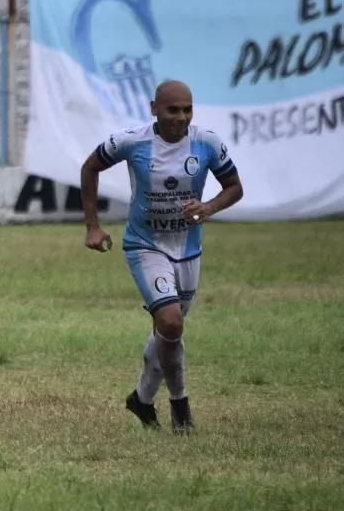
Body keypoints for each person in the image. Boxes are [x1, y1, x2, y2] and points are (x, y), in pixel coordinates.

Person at [79, 80, 243, 433]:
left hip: (188, 250)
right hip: (144, 246)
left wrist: (209, 206)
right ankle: (180, 404)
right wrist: (93, 227)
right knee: (170, 322)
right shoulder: (130, 141)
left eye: (187, 109)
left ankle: (141, 399)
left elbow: (234, 187)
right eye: (173, 109)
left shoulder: (208, 142)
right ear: (154, 108)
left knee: (168, 331)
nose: (180, 117)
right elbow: (89, 167)